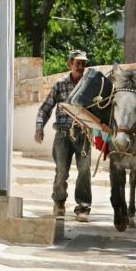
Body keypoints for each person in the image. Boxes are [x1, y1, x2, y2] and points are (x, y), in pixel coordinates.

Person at [35, 49, 92, 221]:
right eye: (77, 63)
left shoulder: (90, 85)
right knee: (61, 171)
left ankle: (82, 208)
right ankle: (59, 202)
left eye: (83, 63)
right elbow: (45, 108)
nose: (80, 66)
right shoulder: (60, 84)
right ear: (70, 64)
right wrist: (39, 127)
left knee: (84, 170)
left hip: (83, 135)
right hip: (62, 134)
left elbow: (99, 109)